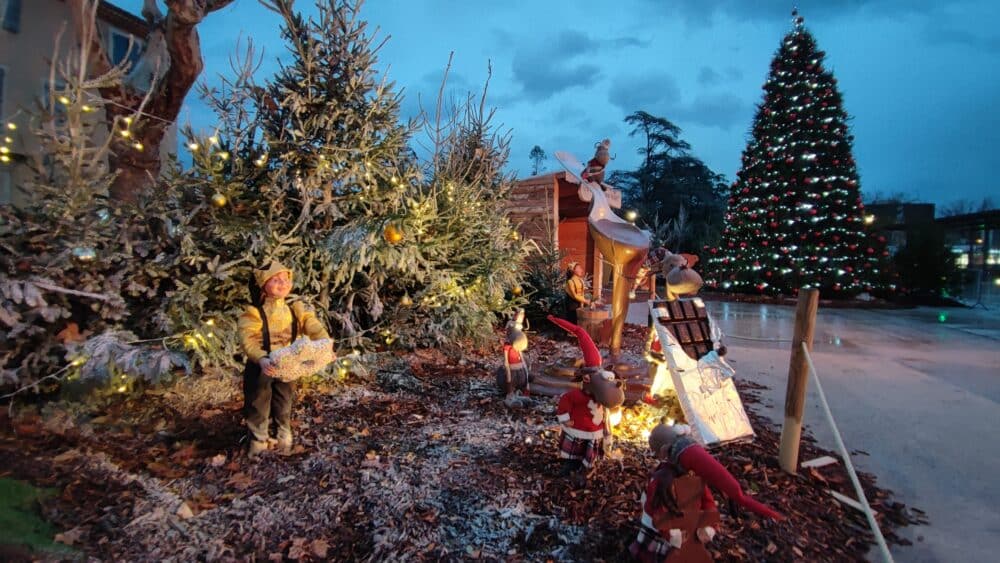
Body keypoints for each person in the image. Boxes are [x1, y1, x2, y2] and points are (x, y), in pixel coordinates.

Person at [238, 261, 334, 456]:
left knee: (284, 399)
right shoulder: (254, 313)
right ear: (262, 285)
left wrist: (324, 345)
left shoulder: (295, 309)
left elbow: (312, 325)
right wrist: (262, 358)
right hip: (263, 365)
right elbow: (249, 342)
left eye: (286, 279)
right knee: (258, 401)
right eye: (275, 280)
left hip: (289, 363)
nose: (282, 284)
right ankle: (259, 440)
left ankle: (283, 434)